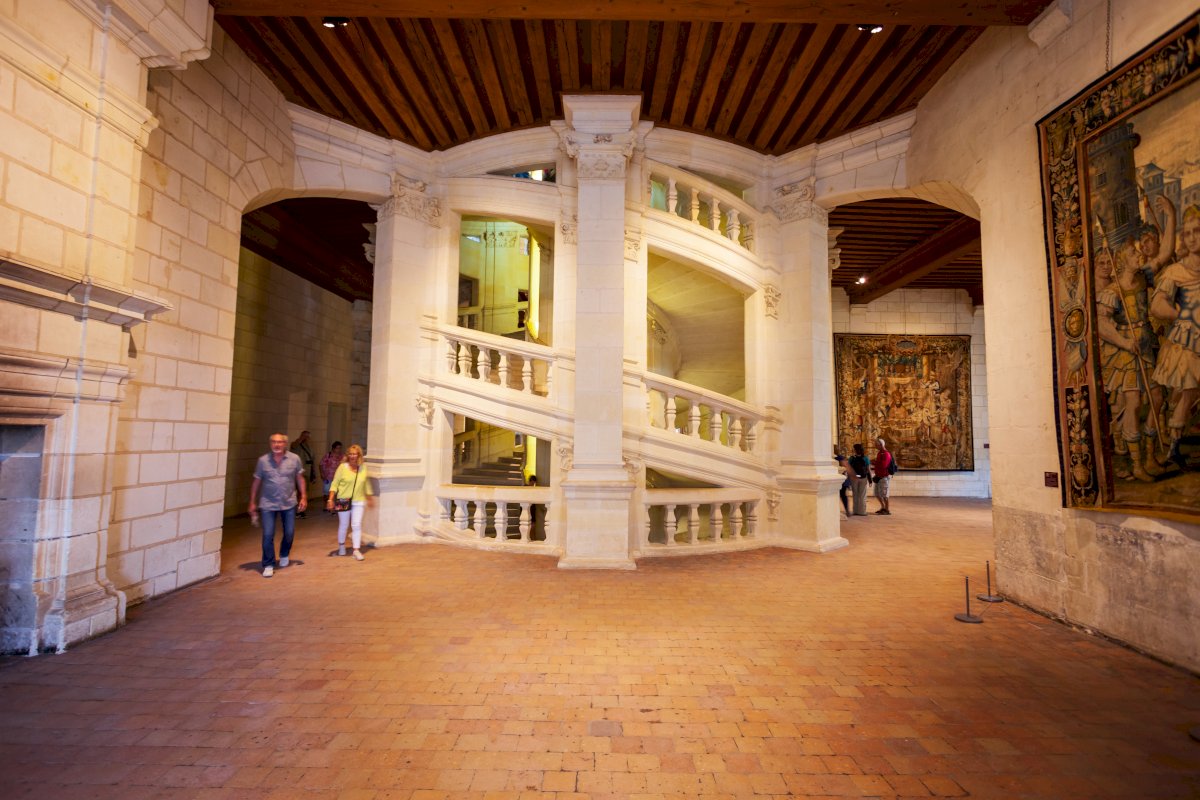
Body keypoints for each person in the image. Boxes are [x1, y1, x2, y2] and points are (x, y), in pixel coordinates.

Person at [1150, 204, 1200, 469]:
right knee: (1188, 392)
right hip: (1188, 341)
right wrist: (1178, 314)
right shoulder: (1176, 271)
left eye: (1197, 231)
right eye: (1187, 233)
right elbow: (1157, 305)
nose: (1192, 237)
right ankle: (1174, 449)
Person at [249, 432, 308, 577]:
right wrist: (252, 502)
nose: (277, 445)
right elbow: (256, 481)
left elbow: (300, 478)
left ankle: (284, 553)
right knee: (268, 534)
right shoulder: (263, 461)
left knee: (289, 532)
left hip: (289, 502)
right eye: (274, 442)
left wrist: (303, 496)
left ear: (285, 444)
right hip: (268, 503)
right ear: (270, 444)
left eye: (280, 442)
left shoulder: (294, 459)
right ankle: (268, 564)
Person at [326, 444, 372, 560]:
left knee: (356, 525)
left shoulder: (363, 468)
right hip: (343, 499)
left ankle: (356, 550)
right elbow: (335, 484)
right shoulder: (342, 467)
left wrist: (369, 497)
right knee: (344, 524)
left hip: (358, 500)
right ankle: (341, 546)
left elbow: (366, 483)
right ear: (348, 455)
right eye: (350, 454)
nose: (352, 456)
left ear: (359, 455)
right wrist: (330, 499)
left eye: (355, 454)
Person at [291, 430, 316, 517]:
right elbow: (293, 446)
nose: (306, 438)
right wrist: (300, 439)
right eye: (305, 436)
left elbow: (313, 459)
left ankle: (301, 509)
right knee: (297, 491)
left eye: (308, 436)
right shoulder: (296, 444)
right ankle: (297, 509)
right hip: (298, 472)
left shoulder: (310, 446)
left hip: (307, 471)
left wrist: (313, 473)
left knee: (304, 491)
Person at [846, 443, 871, 516]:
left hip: (854, 478)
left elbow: (849, 469)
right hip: (863, 478)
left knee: (855, 494)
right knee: (862, 495)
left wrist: (848, 479)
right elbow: (868, 470)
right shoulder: (865, 458)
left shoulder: (851, 458)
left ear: (855, 450)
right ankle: (862, 511)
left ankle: (855, 511)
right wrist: (870, 480)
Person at [319, 441, 344, 512]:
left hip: (338, 478)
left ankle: (335, 506)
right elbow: (321, 464)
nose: (339, 450)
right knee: (326, 492)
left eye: (340, 448)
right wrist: (322, 473)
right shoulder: (328, 455)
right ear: (333, 448)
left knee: (337, 493)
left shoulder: (342, 456)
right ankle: (326, 506)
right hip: (328, 477)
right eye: (337, 448)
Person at [872, 437, 893, 515]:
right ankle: (883, 507)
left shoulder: (886, 454)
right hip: (878, 476)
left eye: (876, 445)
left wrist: (875, 462)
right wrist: (875, 462)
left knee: (884, 494)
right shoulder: (880, 453)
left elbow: (884, 465)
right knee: (877, 494)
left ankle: (887, 510)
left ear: (881, 445)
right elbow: (879, 462)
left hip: (884, 477)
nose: (875, 446)